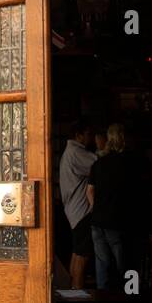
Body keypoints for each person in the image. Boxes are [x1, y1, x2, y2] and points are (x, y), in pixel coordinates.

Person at [87, 122, 129, 291]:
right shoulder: (127, 163)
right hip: (118, 219)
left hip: (97, 220)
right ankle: (129, 296)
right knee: (125, 262)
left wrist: (96, 207)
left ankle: (102, 300)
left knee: (102, 262)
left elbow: (89, 191)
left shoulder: (98, 163)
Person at [58, 120, 97, 289]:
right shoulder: (76, 152)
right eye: (88, 134)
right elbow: (99, 165)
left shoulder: (71, 152)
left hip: (74, 211)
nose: (91, 138)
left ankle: (72, 291)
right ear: (78, 135)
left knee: (76, 253)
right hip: (82, 211)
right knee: (82, 255)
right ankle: (77, 295)